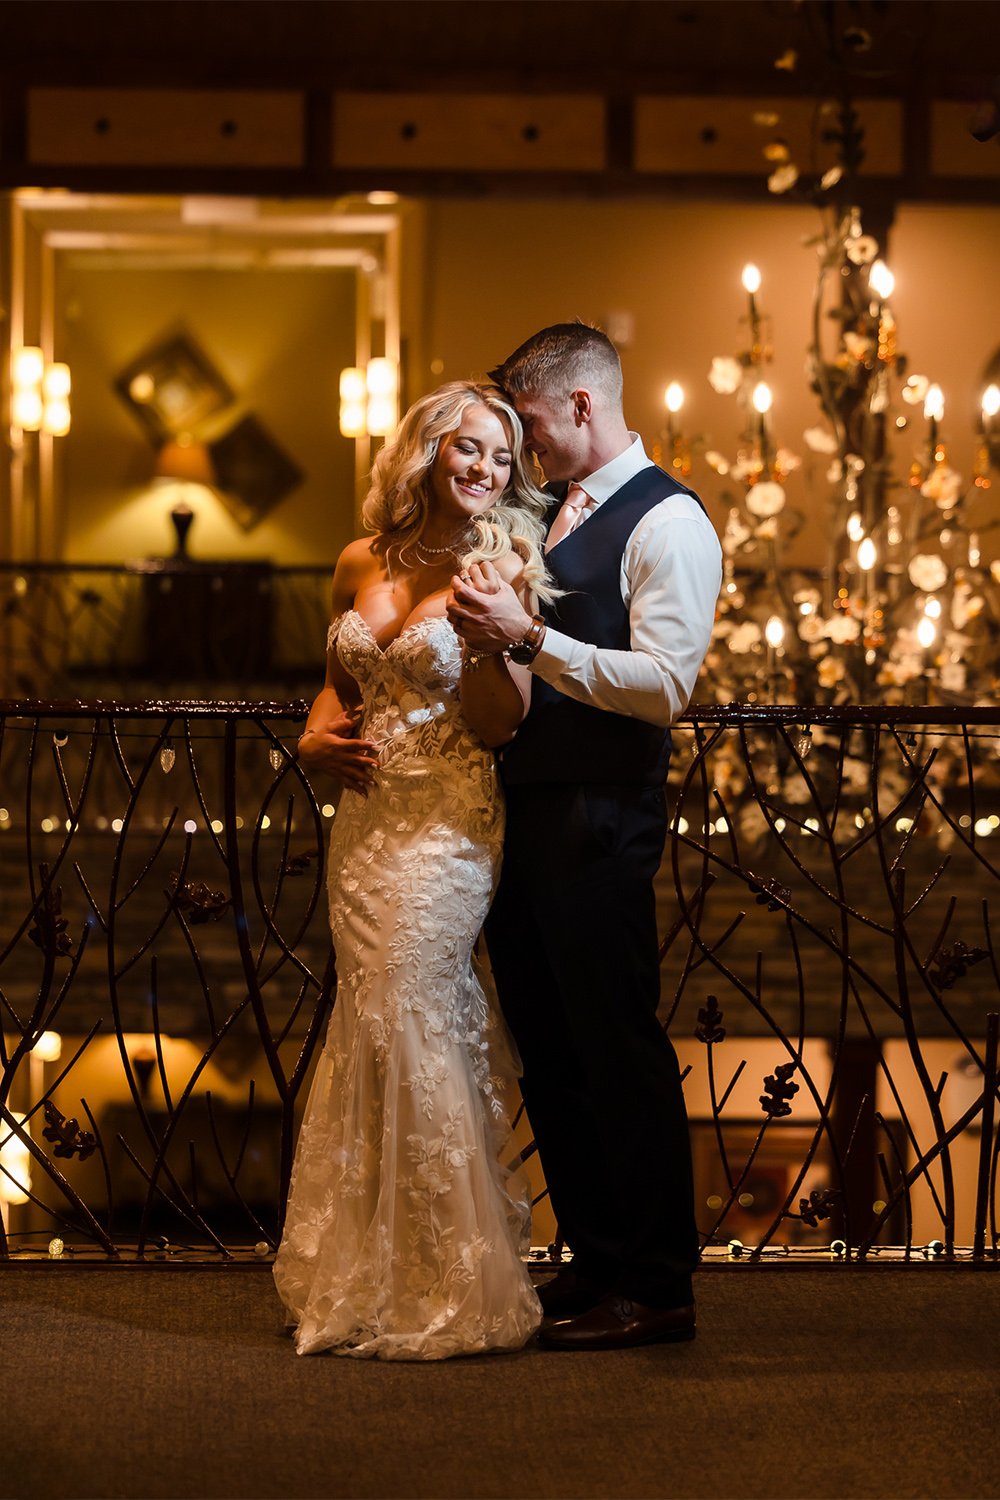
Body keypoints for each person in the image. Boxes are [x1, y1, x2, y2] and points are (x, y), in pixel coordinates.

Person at [446, 323, 722, 1351]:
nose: (520, 445)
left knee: (613, 1045)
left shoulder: (670, 522)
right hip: (528, 806)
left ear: (575, 405)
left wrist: (529, 638)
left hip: (602, 814)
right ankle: (598, 1258)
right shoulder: (550, 512)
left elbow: (664, 688)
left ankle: (656, 1284)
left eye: (526, 420)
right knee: (552, 1049)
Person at [273, 381, 557, 1360]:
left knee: (412, 1012)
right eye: (467, 450)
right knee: (369, 1022)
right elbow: (339, 684)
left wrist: (489, 636)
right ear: (427, 451)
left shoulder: (505, 564)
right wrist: (313, 741)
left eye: (500, 457)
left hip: (448, 827)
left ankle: (448, 1285)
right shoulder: (362, 558)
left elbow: (501, 721)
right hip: (362, 827)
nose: (485, 470)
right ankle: (363, 1273)